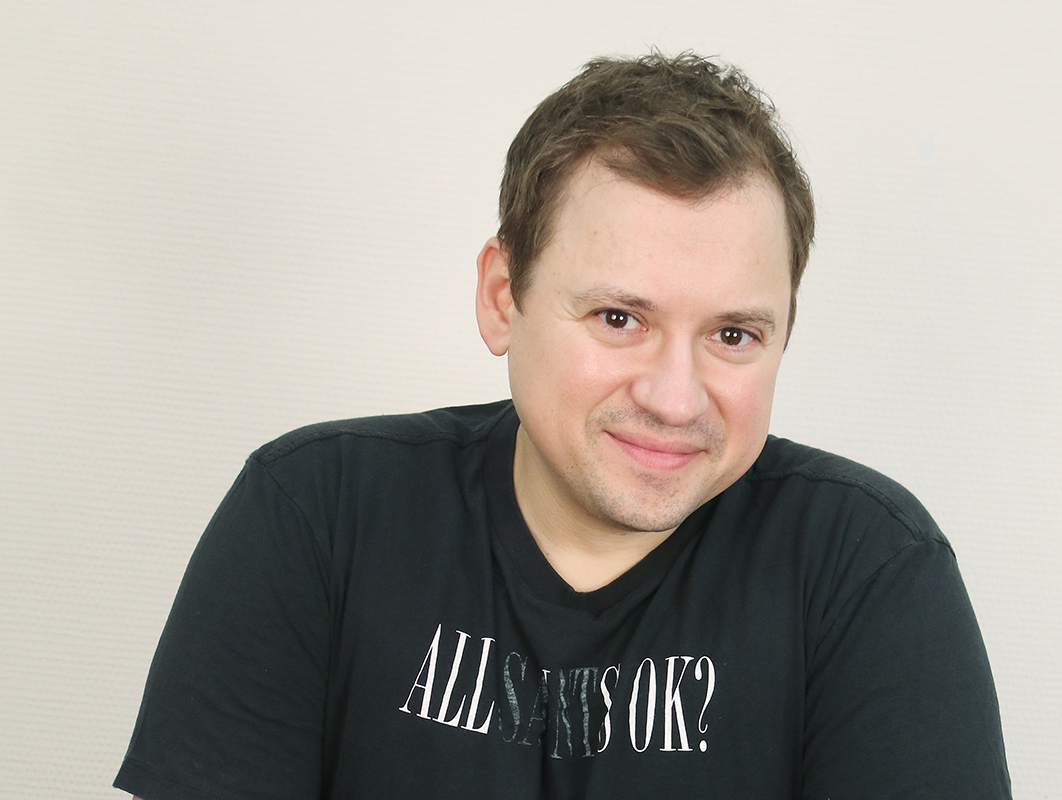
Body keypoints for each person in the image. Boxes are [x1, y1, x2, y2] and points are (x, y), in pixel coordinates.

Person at [115, 53, 1011, 799]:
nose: (676, 399)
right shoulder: (318, 516)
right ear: (503, 297)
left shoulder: (866, 569)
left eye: (733, 335)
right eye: (620, 318)